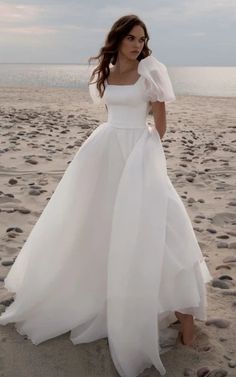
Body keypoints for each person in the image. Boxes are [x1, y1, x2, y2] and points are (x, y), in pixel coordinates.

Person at [0, 14, 212, 377]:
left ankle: (185, 317)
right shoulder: (107, 72)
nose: (137, 45)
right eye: (131, 38)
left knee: (161, 230)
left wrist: (144, 157)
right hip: (103, 151)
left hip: (139, 154)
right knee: (93, 225)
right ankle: (101, 298)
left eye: (142, 39)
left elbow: (159, 126)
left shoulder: (152, 72)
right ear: (117, 40)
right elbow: (110, 110)